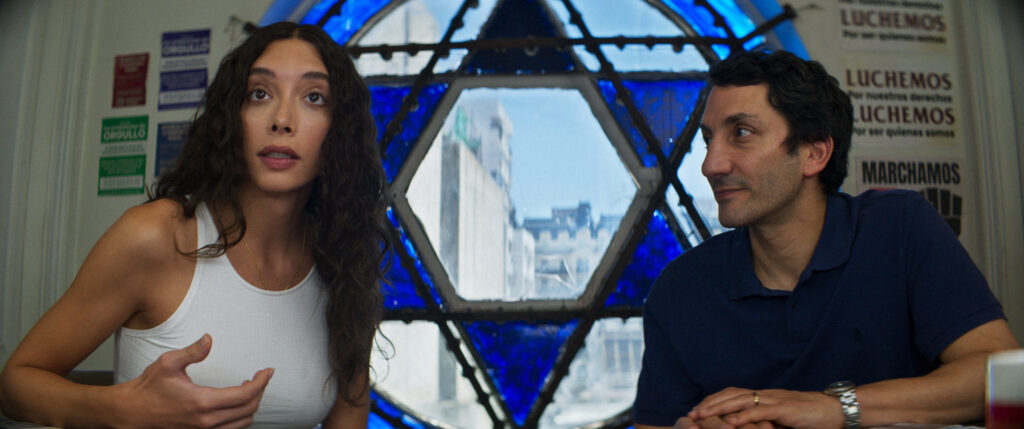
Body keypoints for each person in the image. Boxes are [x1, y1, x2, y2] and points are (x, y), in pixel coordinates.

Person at [0, 21, 389, 427]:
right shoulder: (157, 236)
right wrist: (123, 409)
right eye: (259, 94)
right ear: (232, 118)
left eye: (313, 97)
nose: (282, 119)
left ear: (339, 133)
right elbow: (15, 384)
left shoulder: (342, 265)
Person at [632, 50, 1020, 429]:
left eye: (742, 133)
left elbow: (1005, 378)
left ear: (814, 154)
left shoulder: (898, 226)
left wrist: (834, 408)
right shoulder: (678, 289)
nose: (710, 165)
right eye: (708, 139)